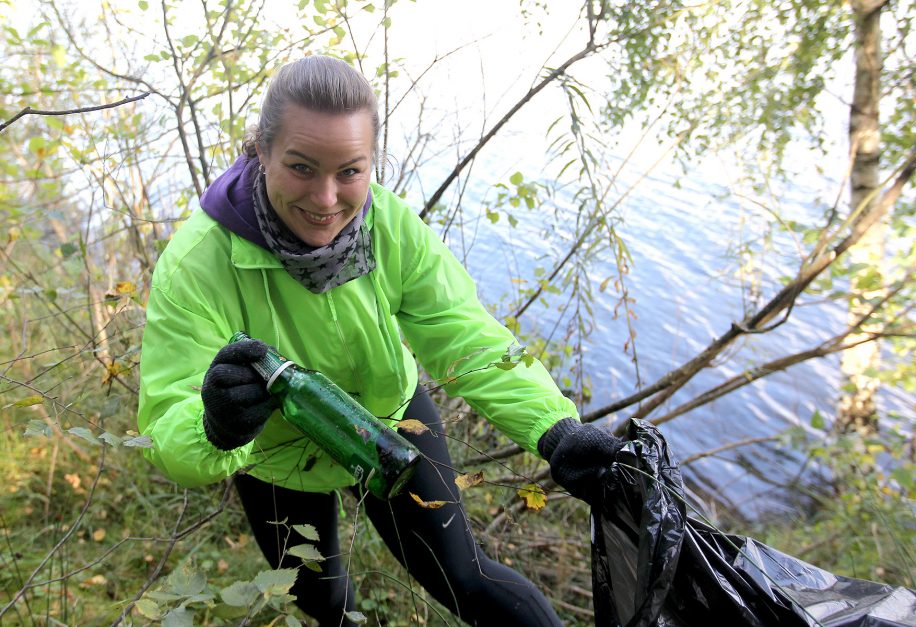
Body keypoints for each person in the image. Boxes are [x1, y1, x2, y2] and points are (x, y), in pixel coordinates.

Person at [137, 55, 622, 626]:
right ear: (260, 151)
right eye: (300, 167)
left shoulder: (387, 225)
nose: (325, 201)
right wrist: (214, 426)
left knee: (468, 579)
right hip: (275, 460)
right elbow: (170, 414)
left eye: (349, 171)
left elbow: (464, 334)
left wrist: (554, 428)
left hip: (392, 426)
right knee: (324, 605)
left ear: (372, 164)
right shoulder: (199, 263)